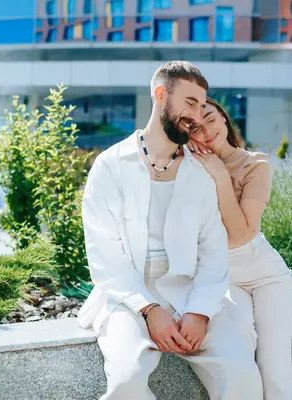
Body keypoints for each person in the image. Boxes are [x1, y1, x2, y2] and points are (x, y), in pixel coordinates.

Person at [76, 61, 263, 400]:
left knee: (243, 375)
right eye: (189, 103)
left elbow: (213, 250)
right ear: (160, 95)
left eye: (202, 106)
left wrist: (200, 311)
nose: (196, 115)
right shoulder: (111, 166)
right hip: (126, 297)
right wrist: (148, 309)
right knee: (126, 382)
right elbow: (105, 255)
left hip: (192, 294)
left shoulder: (201, 173)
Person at [187, 97, 292, 400]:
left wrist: (220, 174)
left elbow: (242, 233)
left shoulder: (256, 163)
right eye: (195, 128)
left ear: (223, 118)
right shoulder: (189, 169)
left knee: (275, 369)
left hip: (267, 276)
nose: (207, 131)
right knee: (240, 354)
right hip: (223, 277)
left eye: (210, 118)